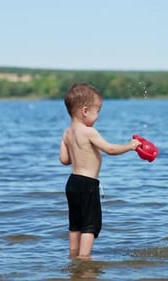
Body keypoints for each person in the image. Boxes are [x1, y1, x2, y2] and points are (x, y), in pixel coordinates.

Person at [59, 83, 141, 259]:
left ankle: (73, 255)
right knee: (90, 224)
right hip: (88, 184)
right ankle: (84, 258)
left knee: (75, 223)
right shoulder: (89, 132)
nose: (98, 116)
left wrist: (79, 153)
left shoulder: (67, 133)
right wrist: (130, 146)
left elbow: (64, 160)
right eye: (98, 111)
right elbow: (110, 149)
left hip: (72, 183)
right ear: (85, 111)